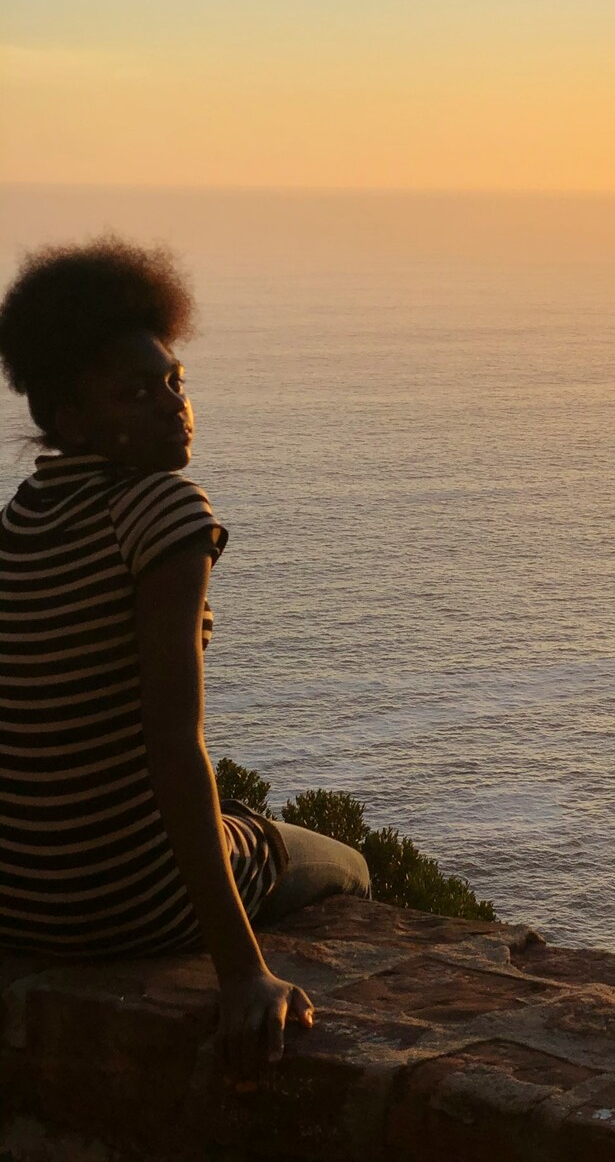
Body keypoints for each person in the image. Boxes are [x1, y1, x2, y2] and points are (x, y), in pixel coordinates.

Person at [0, 238, 370, 1081]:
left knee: (238, 813)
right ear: (72, 420)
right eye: (136, 392)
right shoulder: (163, 510)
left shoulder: (20, 519)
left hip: (17, 899)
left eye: (174, 381)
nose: (172, 407)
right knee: (344, 865)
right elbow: (172, 743)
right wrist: (242, 972)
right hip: (122, 901)